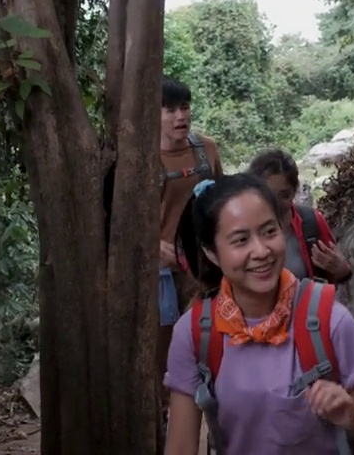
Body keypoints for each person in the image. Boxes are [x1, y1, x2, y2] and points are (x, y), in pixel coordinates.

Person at [165, 174, 354, 455]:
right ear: (211, 252)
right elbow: (180, 446)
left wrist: (352, 416)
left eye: (269, 231)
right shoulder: (196, 332)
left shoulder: (328, 318)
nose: (261, 251)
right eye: (241, 240)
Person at [157, 77, 223, 446]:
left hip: (204, 271)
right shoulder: (138, 157)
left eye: (184, 107)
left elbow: (222, 203)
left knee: (213, 350)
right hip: (161, 277)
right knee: (164, 361)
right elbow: (118, 218)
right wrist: (152, 246)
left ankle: (219, 433)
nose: (180, 116)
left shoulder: (206, 150)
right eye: (170, 110)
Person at [247, 149, 352, 284]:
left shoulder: (311, 222)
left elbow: (338, 276)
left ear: (294, 191)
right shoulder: (241, 230)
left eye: (284, 195)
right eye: (268, 195)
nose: (276, 203)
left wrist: (340, 268)